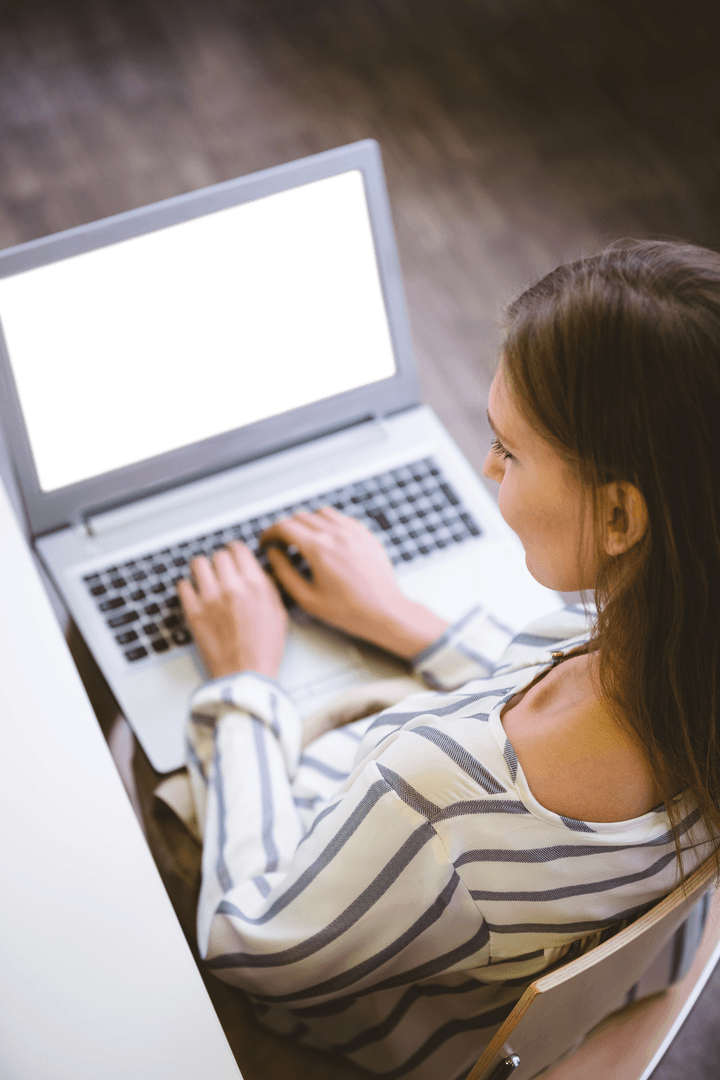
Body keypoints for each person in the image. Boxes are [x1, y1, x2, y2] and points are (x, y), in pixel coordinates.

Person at [176, 238, 719, 1080]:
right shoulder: (684, 678)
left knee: (130, 757)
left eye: (510, 450)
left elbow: (248, 945)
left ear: (620, 519)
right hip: (472, 984)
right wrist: (405, 622)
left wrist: (244, 680)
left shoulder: (432, 793)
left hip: (325, 1011)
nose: (485, 465)